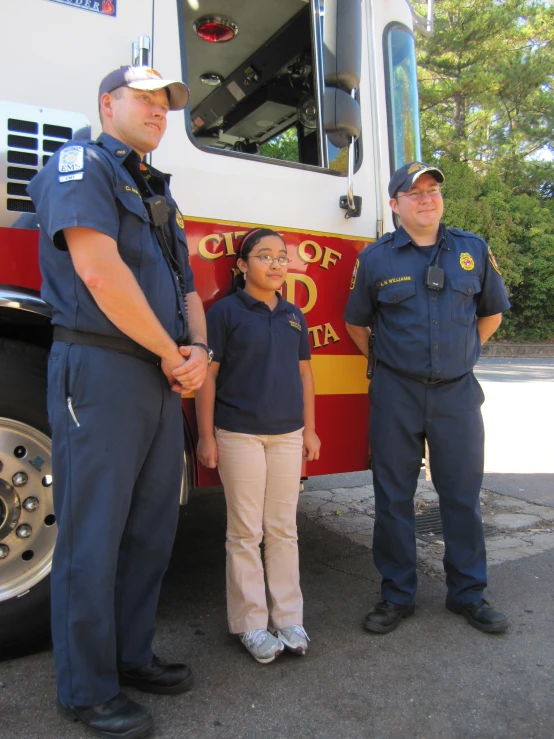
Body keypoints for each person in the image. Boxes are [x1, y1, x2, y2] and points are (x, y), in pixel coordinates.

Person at [28, 66, 211, 739]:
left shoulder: (158, 188)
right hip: (102, 369)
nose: (160, 111)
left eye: (167, 103)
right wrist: (172, 352)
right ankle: (85, 688)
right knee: (92, 535)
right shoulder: (83, 164)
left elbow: (185, 285)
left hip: (162, 377)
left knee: (149, 530)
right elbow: (98, 271)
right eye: (146, 99)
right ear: (109, 104)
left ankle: (131, 656)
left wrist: (198, 350)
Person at [344, 162, 511, 636]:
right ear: (394, 204)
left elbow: (491, 314)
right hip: (396, 392)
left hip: (457, 393)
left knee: (461, 496)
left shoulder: (471, 250)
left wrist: (462, 356)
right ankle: (397, 595)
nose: (426, 199)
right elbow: (357, 323)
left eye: (433, 190)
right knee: (393, 496)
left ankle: (468, 594)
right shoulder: (375, 259)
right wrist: (388, 363)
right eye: (413, 192)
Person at [195, 228, 321, 664]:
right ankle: (250, 623)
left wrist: (310, 430)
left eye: (282, 257)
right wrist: (206, 436)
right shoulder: (225, 313)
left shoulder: (293, 314)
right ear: (242, 266)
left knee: (284, 527)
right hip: (239, 434)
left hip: (287, 434)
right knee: (245, 532)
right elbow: (207, 378)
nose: (276, 263)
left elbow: (305, 374)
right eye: (264, 256)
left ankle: (289, 617)